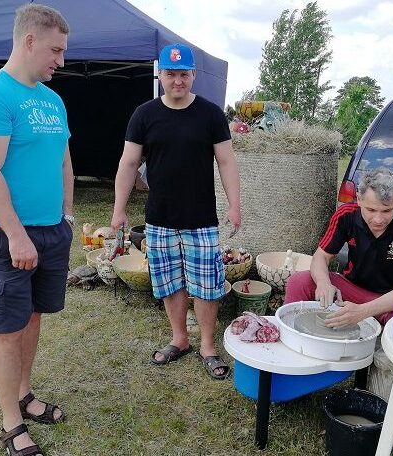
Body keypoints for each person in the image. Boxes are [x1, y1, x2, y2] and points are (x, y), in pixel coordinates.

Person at [0, 5, 73, 455]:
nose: (61, 60)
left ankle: (25, 395)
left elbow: (64, 161)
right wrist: (16, 234)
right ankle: (11, 423)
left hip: (50, 229)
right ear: (29, 40)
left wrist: (67, 215)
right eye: (55, 50)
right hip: (6, 233)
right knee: (7, 328)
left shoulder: (53, 100)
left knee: (33, 315)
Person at [111, 43, 241, 380]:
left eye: (184, 74)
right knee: (169, 282)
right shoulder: (144, 115)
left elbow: (226, 161)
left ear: (194, 74)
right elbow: (128, 163)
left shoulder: (211, 115)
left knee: (207, 285)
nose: (178, 81)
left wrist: (235, 204)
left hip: (201, 218)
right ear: (161, 76)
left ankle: (208, 346)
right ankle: (179, 339)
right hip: (159, 218)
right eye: (171, 74)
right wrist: (118, 209)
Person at [285, 167, 393, 327]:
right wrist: (323, 282)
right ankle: (290, 330)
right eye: (371, 210)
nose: (378, 219)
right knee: (299, 281)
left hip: (389, 300)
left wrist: (362, 311)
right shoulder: (346, 214)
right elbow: (322, 256)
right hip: (351, 288)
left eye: (387, 210)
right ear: (359, 199)